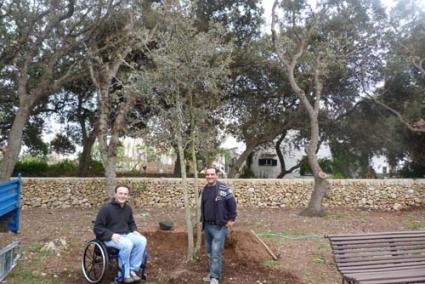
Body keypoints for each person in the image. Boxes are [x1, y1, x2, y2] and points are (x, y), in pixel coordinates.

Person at [94, 185, 147, 283]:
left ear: (128, 196)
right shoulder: (106, 209)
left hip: (125, 235)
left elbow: (131, 223)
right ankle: (124, 274)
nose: (123, 196)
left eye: (125, 194)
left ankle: (132, 270)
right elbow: (97, 227)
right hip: (109, 238)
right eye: (120, 193)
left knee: (142, 240)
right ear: (115, 194)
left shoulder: (128, 209)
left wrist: (134, 230)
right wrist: (111, 235)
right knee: (127, 244)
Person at [201, 167, 237, 284]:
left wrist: (232, 219)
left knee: (216, 253)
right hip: (207, 226)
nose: (210, 176)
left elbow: (232, 204)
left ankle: (214, 278)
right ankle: (213, 273)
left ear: (217, 175)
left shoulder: (224, 188)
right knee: (210, 252)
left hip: (219, 226)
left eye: (212, 174)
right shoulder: (205, 189)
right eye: (208, 175)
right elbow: (204, 206)